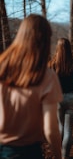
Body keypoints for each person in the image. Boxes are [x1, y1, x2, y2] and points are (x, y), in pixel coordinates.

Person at [0, 14, 63, 159]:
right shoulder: (47, 76)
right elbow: (50, 129)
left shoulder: (2, 68)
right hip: (28, 152)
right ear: (45, 41)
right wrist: (58, 156)